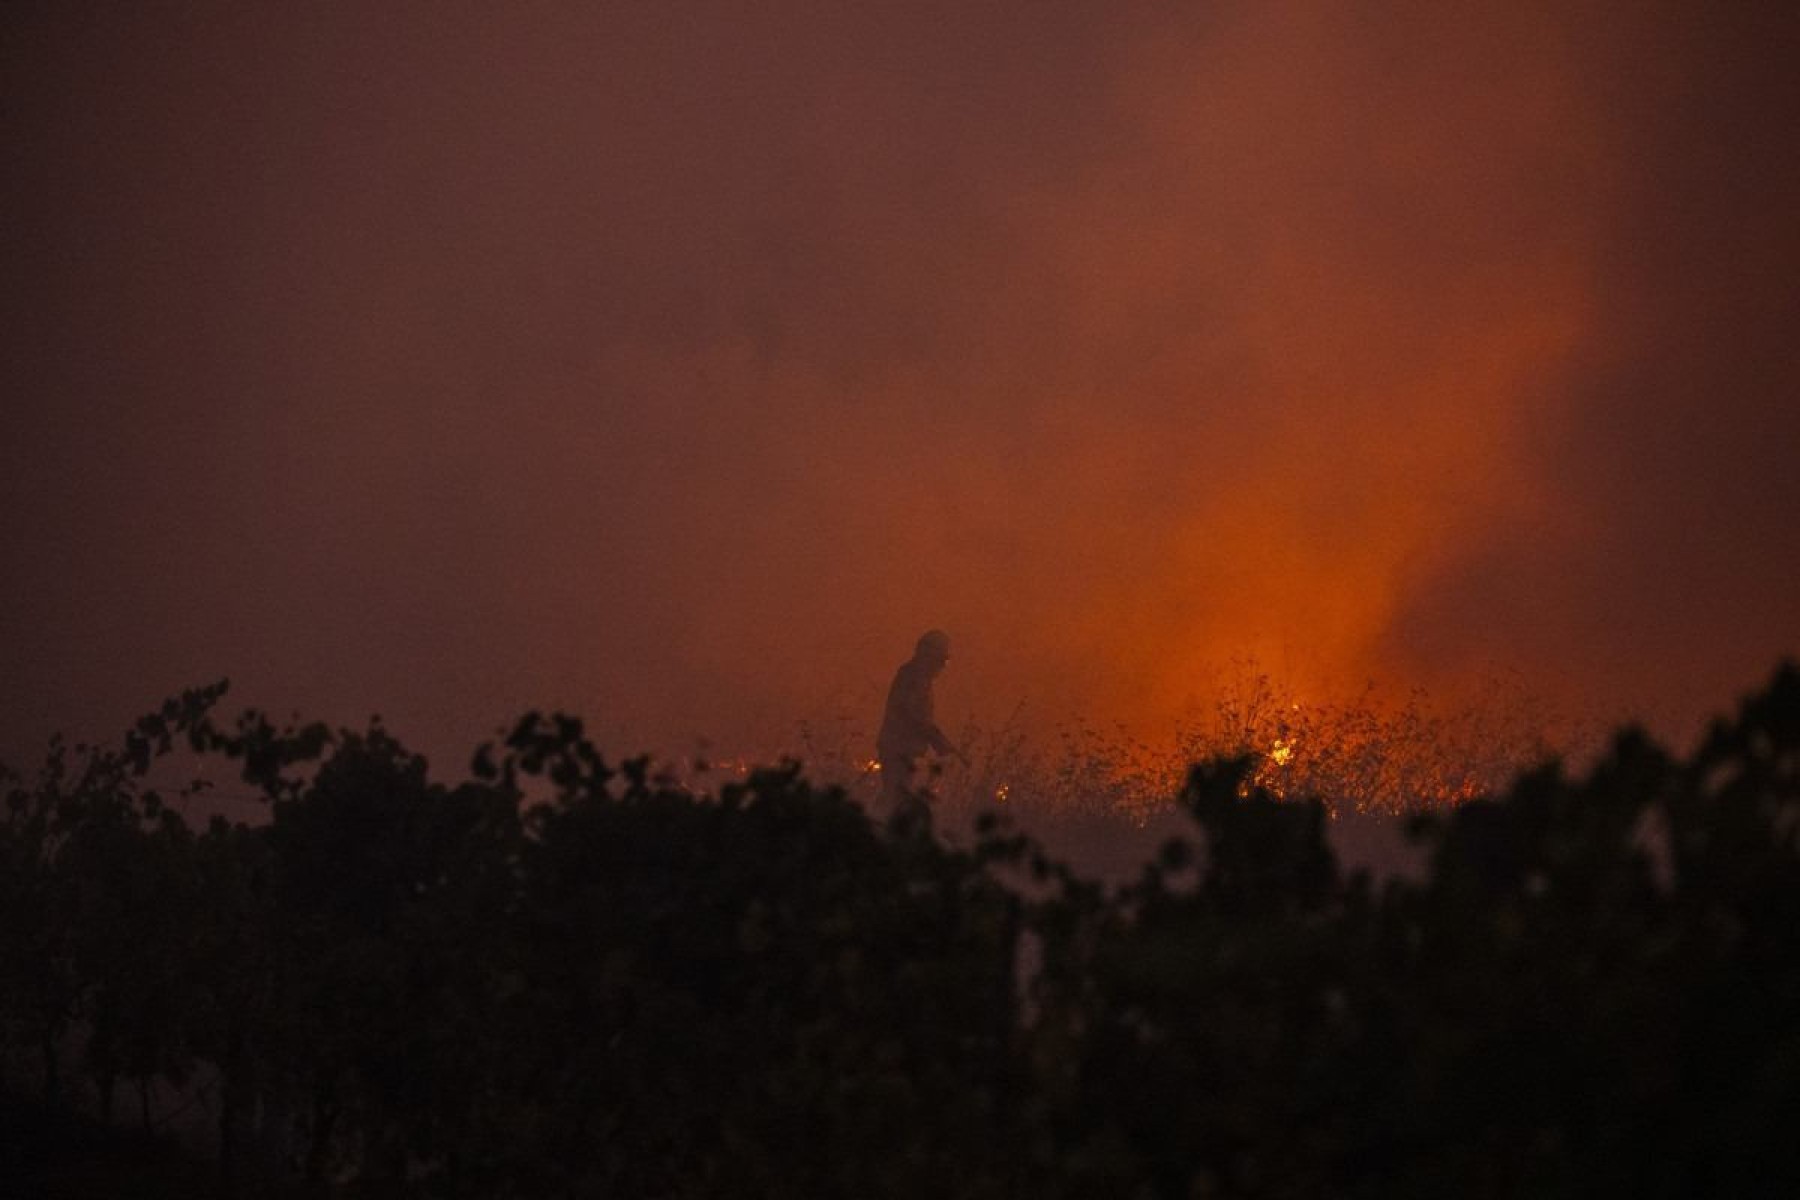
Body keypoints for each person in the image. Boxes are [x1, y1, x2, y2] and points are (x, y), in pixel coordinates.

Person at [877, 629, 965, 828]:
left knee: (893, 795)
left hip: (901, 748)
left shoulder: (916, 677)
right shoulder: (914, 678)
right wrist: (940, 743)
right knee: (896, 796)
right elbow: (916, 716)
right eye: (941, 660)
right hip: (898, 748)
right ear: (928, 655)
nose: (942, 666)